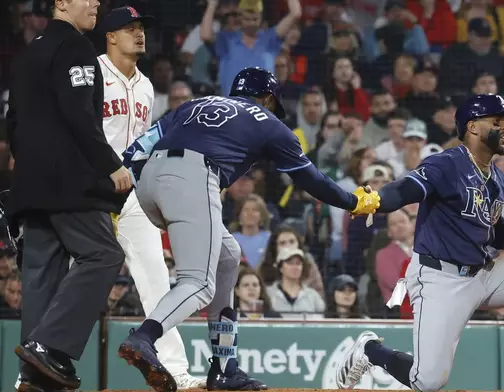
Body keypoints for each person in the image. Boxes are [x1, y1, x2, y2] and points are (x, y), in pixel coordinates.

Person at [117, 67, 380, 392]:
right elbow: (312, 180)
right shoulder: (269, 122)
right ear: (268, 98)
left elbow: (138, 148)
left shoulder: (195, 104)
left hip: (149, 180)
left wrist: (115, 196)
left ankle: (224, 367)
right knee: (198, 283)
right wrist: (353, 201)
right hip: (192, 177)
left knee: (228, 256)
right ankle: (145, 337)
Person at [336, 94, 504, 392]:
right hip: (440, 278)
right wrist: (378, 200)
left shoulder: (497, 178)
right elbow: (407, 189)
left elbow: (495, 232)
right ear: (472, 127)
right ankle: (370, 350)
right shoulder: (447, 163)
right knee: (428, 381)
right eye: (496, 122)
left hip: (484, 273)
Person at [6, 0, 133, 391]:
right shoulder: (75, 46)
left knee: (43, 272)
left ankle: (34, 373)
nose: (95, 2)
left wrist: (29, 170)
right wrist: (110, 164)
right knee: (104, 253)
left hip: (31, 186)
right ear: (61, 3)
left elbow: (12, 124)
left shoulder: (28, 54)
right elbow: (78, 111)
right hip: (68, 185)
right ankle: (49, 345)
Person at [98, 6, 203, 389]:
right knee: (72, 279)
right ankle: (48, 361)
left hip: (131, 198)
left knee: (158, 280)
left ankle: (175, 369)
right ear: (110, 35)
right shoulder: (92, 74)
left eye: (141, 28)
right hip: (90, 194)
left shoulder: (146, 86)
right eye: (130, 28)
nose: (139, 34)